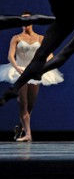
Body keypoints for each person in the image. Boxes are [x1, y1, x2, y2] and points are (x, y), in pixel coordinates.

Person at [0, 12, 64, 142]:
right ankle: (28, 134)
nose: (26, 22)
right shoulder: (16, 38)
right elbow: (10, 56)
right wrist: (18, 69)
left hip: (34, 71)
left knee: (31, 105)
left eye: (28, 19)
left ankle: (20, 127)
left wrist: (43, 67)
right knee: (23, 103)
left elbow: (50, 55)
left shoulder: (40, 38)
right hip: (20, 71)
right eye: (23, 19)